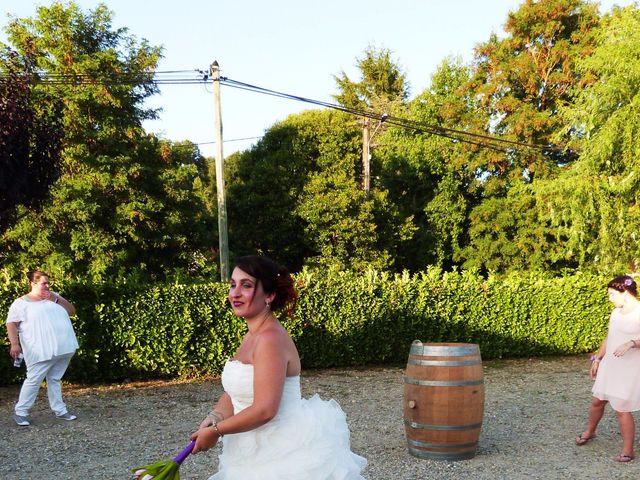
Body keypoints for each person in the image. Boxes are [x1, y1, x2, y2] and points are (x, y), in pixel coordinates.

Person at [190, 255, 367, 479]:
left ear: (270, 295)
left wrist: (216, 432)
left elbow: (265, 409)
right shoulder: (252, 334)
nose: (235, 293)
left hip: (283, 452)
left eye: (246, 285)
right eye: (233, 284)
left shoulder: (269, 339)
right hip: (250, 449)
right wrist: (216, 415)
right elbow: (238, 389)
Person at [575, 274, 640, 462]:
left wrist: (632, 343)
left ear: (625, 292)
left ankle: (628, 450)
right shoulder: (616, 313)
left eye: (612, 294)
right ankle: (590, 431)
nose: (610, 298)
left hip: (630, 368)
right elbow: (609, 337)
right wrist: (597, 358)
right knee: (598, 401)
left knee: (621, 408)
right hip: (610, 365)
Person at [6, 270, 79, 426]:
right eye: (43, 283)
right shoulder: (21, 302)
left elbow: (72, 311)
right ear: (33, 283)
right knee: (33, 379)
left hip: (64, 347)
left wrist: (55, 299)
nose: (47, 286)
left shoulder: (54, 296)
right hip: (39, 349)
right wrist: (14, 344)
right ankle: (21, 412)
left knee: (55, 379)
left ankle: (60, 410)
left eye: (48, 283)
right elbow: (11, 323)